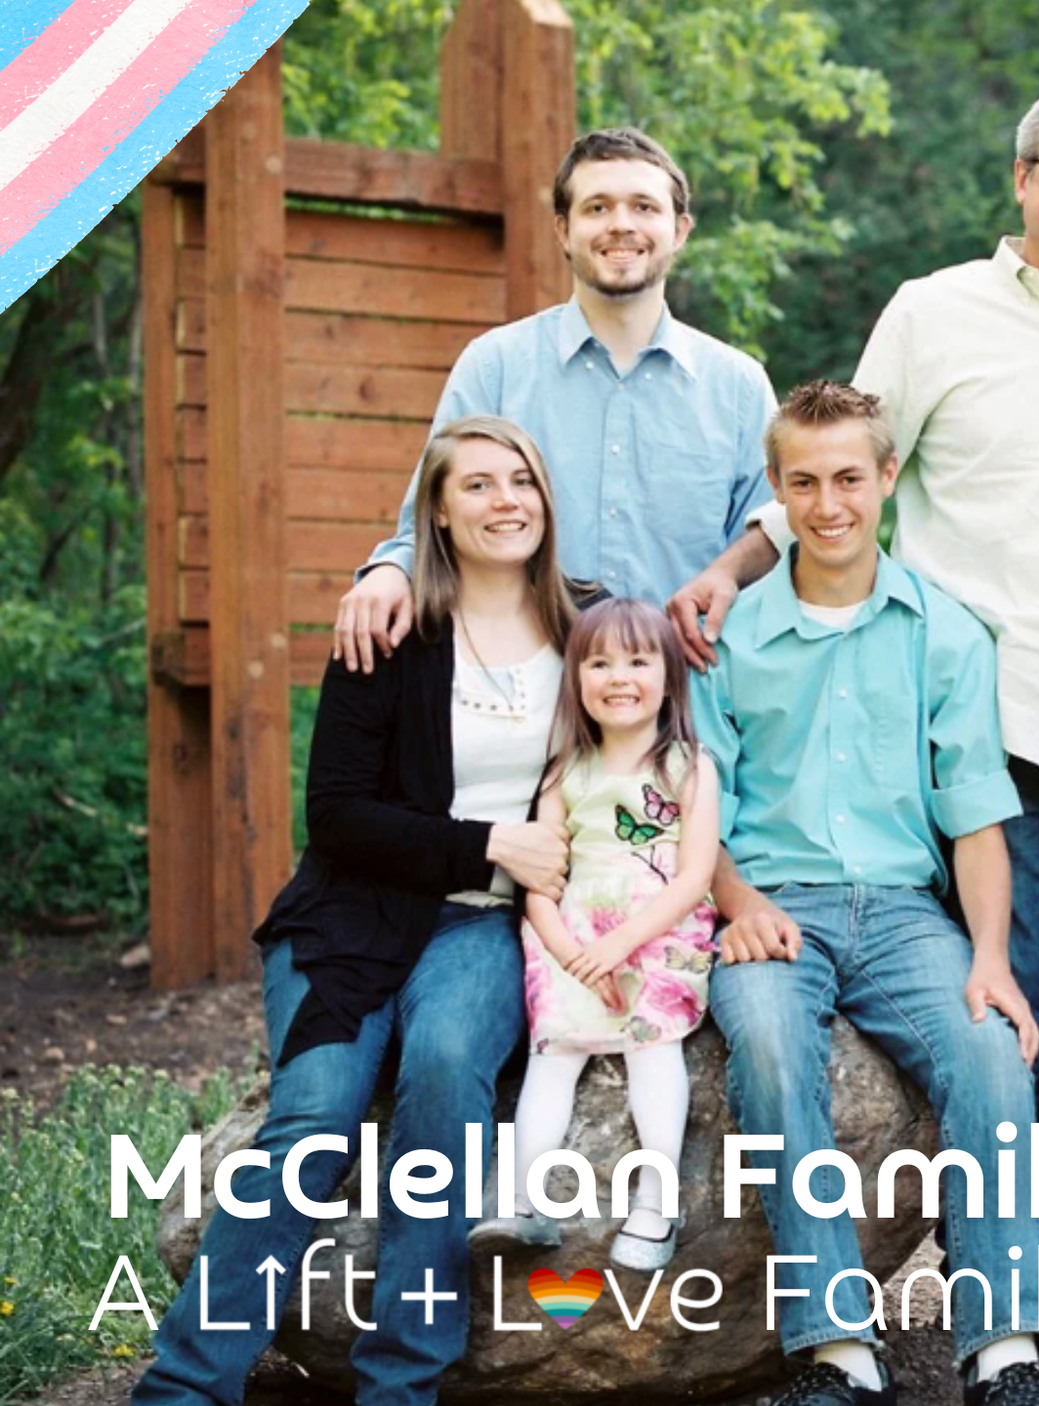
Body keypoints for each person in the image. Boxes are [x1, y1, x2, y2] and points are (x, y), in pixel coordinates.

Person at [668, 86, 1039, 1353]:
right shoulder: (934, 310)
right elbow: (832, 459)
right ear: (1020, 179)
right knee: (1012, 1002)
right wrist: (732, 576)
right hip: (972, 705)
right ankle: (980, 1283)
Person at [135, 418, 582, 1406]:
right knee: (315, 1118)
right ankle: (182, 1386)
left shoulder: (587, 631)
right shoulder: (391, 629)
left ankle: (399, 1387)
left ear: (547, 504)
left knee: (443, 1079)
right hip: (348, 917)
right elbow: (335, 814)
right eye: (478, 485)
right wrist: (488, 841)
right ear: (436, 510)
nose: (506, 500)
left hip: (480, 925)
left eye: (524, 482)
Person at [697, 382, 1039, 1406]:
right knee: (765, 1044)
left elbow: (976, 815)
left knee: (989, 1049)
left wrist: (990, 955)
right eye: (803, 482)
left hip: (906, 912)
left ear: (887, 478)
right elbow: (696, 803)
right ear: (775, 487)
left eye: (850, 477)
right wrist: (735, 900)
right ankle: (837, 1353)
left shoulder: (944, 631)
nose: (829, 503)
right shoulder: (730, 638)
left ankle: (1003, 1351)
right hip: (773, 903)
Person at [332, 127, 776, 670]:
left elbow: (773, 537)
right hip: (527, 701)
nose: (621, 224)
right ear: (563, 230)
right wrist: (388, 574)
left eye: (643, 206)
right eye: (597, 207)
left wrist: (725, 574)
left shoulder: (739, 387)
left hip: (689, 701)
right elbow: (429, 522)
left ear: (680, 229)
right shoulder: (494, 366)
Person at [468, 598, 720, 1272]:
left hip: (656, 933)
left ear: (669, 674)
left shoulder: (688, 767)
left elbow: (696, 875)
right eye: (599, 662)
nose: (618, 676)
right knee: (553, 1060)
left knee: (652, 1052)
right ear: (576, 678)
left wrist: (620, 945)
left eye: (638, 660)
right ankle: (523, 1198)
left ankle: (655, 1202)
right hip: (572, 941)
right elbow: (540, 884)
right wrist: (567, 949)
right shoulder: (564, 771)